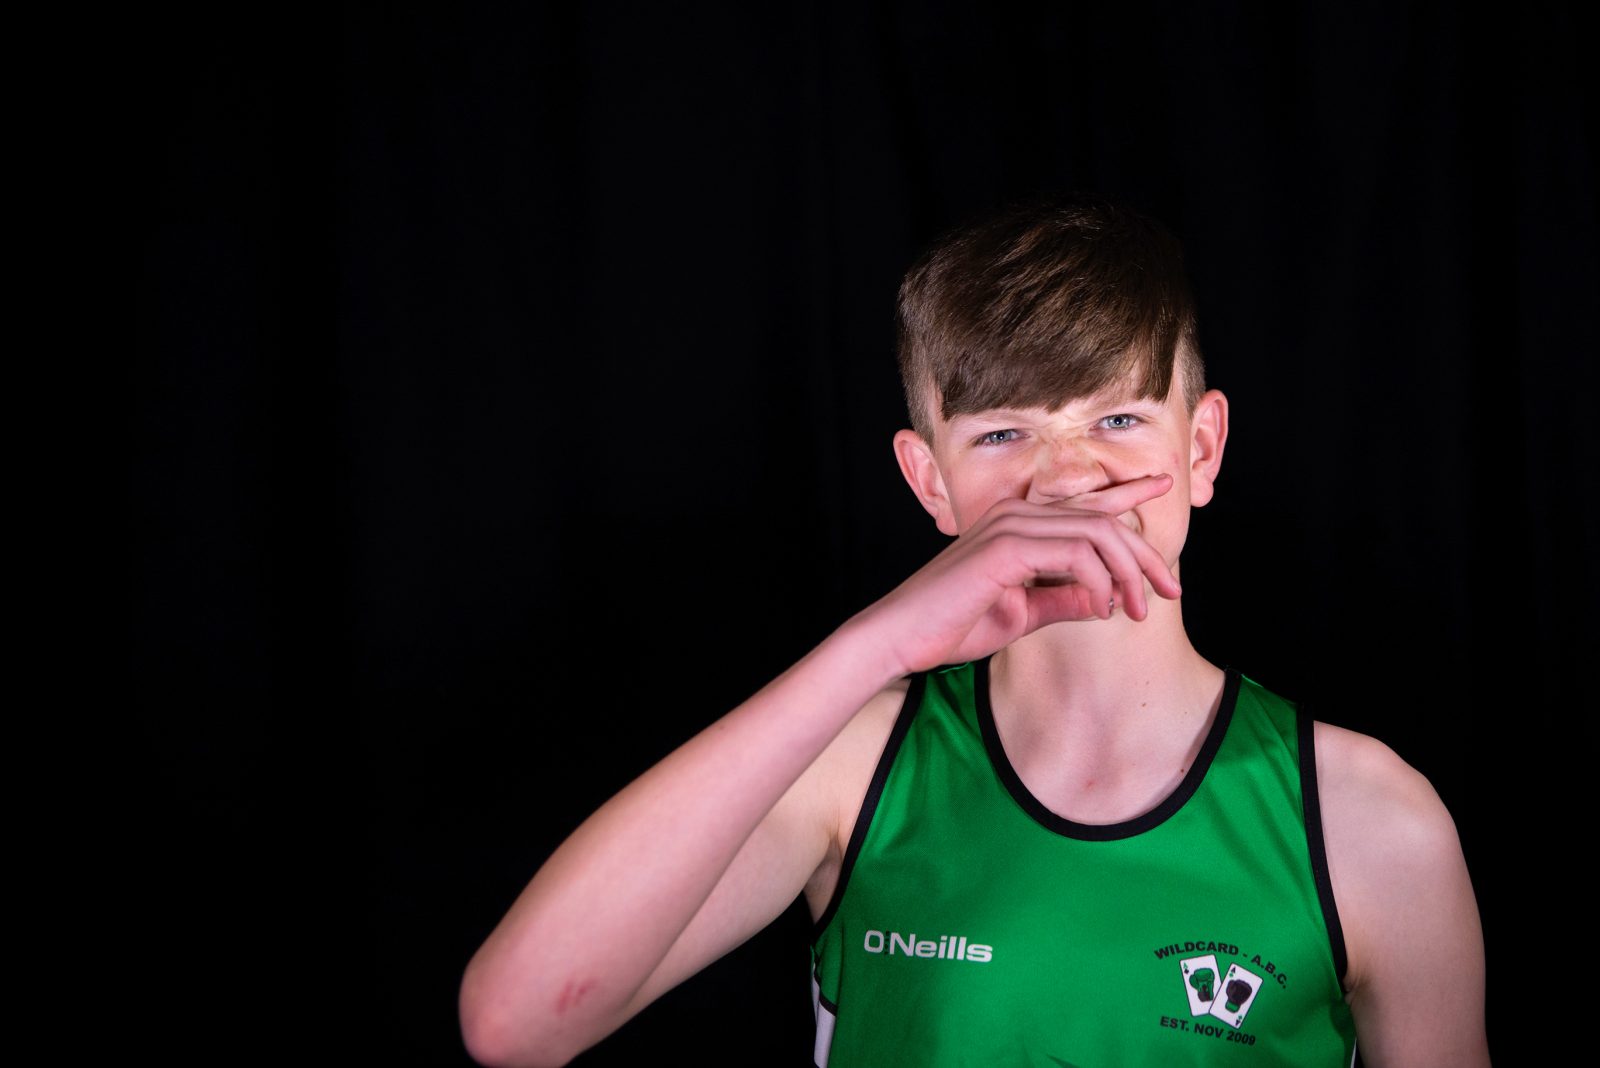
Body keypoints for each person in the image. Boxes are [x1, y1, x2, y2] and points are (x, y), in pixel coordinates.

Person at [458, 195, 1489, 1066]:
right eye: (1002, 434)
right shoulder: (855, 768)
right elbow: (514, 1025)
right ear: (929, 482)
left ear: (1203, 446)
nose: (1066, 479)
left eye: (1117, 420)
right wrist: (877, 646)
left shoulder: (1367, 821)